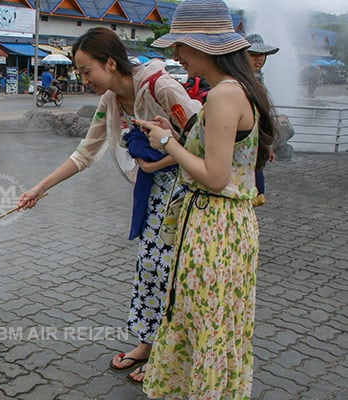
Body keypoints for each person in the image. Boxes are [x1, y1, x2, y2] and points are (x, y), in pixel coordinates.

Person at [16, 26, 201, 384]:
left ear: (111, 63)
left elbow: (205, 143)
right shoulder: (112, 100)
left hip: (184, 193)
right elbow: (86, 152)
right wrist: (39, 188)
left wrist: (156, 162)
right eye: (79, 73)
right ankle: (148, 343)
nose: (84, 80)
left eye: (87, 71)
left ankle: (168, 356)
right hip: (151, 194)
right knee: (149, 269)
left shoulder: (162, 87)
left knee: (171, 274)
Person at [136, 0, 277, 398]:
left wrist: (166, 143)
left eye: (181, 45)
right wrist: (180, 138)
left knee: (202, 323)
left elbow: (215, 177)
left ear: (205, 46)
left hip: (214, 228)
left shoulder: (223, 96)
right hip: (229, 227)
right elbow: (224, 161)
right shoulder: (239, 89)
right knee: (217, 326)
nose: (176, 54)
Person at [246, 33, 279, 207]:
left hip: (257, 144)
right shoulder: (243, 82)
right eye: (253, 55)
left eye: (262, 55)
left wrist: (268, 144)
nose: (259, 59)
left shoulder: (258, 79)